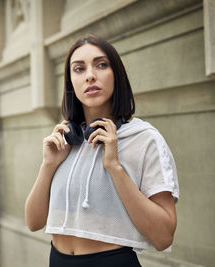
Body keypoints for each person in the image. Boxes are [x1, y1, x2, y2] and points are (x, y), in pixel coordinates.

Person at [25, 34, 179, 267]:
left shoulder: (144, 139)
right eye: (78, 69)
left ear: (116, 75)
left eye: (101, 65)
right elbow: (34, 222)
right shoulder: (67, 140)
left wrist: (114, 167)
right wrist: (49, 165)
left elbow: (163, 237)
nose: (90, 76)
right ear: (70, 83)